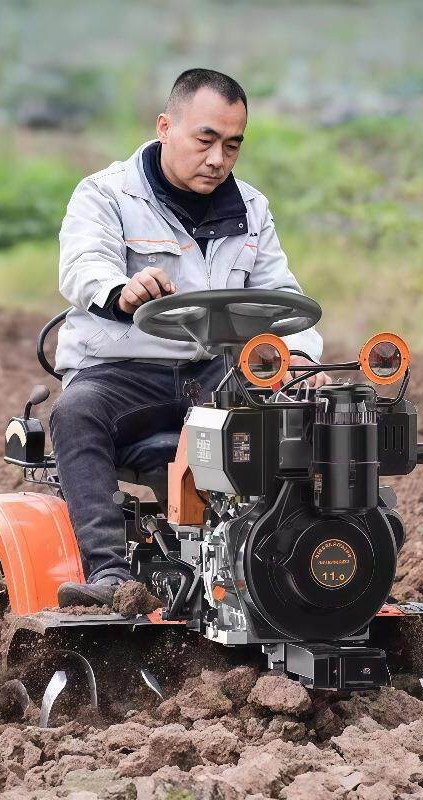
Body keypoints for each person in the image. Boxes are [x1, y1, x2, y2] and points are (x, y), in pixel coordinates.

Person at [50, 68, 328, 607]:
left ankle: (293, 564)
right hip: (123, 370)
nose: (218, 159)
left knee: (308, 410)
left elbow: (283, 296)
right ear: (165, 127)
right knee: (74, 411)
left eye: (232, 145)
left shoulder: (251, 210)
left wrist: (293, 357)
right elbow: (83, 266)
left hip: (211, 371)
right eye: (205, 140)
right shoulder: (106, 194)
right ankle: (111, 578)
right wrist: (121, 291)